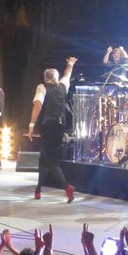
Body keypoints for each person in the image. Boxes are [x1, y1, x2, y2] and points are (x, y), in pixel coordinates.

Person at [27, 57, 77, 202]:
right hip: (60, 126)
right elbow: (67, 74)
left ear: (45, 78)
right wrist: (70, 64)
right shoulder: (63, 86)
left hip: (48, 126)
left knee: (50, 160)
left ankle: (67, 187)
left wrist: (31, 125)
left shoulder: (42, 88)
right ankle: (38, 190)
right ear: (56, 77)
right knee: (44, 157)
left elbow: (37, 106)